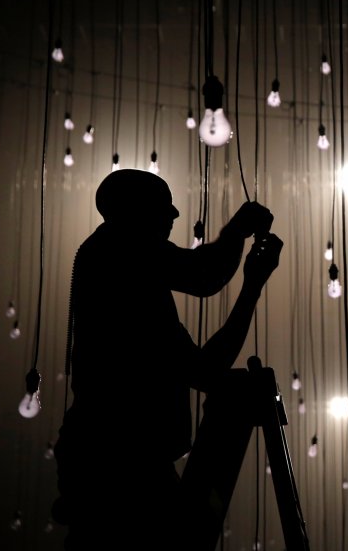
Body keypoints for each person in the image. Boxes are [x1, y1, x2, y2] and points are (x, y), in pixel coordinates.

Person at [51, 169, 282, 550]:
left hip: (107, 459)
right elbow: (204, 277)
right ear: (134, 213)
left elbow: (204, 364)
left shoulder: (114, 266)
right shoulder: (121, 255)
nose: (175, 214)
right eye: (163, 206)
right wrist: (239, 242)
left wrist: (248, 275)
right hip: (123, 468)